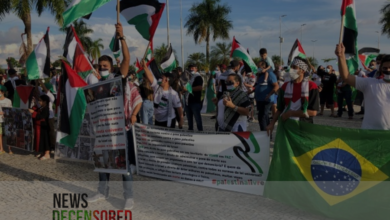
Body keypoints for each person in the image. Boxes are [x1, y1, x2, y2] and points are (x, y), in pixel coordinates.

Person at [88, 22, 141, 211]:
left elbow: (126, 60)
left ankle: (129, 196)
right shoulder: (94, 86)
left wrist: (122, 37)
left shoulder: (116, 81)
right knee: (103, 162)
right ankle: (102, 191)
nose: (102, 68)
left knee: (123, 164)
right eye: (100, 66)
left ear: (111, 68)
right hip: (102, 132)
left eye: (105, 66)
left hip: (120, 130)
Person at [336, 44, 390, 130]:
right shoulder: (369, 83)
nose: (388, 70)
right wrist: (341, 56)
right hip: (369, 134)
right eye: (385, 68)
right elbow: (346, 76)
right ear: (380, 68)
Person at [266, 57, 320, 136]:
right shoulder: (285, 87)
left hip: (304, 128)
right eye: (291, 67)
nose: (291, 70)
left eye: (294, 67)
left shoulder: (311, 86)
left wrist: (291, 113)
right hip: (287, 127)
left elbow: (313, 112)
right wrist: (272, 123)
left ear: (303, 70)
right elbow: (280, 109)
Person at [142, 61, 184, 128]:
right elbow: (150, 78)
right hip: (158, 120)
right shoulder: (157, 87)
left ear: (167, 80)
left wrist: (181, 119)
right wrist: (145, 67)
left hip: (169, 121)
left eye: (162, 78)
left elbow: (179, 107)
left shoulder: (173, 94)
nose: (160, 79)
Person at [254, 61, 279, 131]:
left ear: (264, 67)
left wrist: (269, 94)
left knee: (262, 117)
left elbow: (276, 86)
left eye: (259, 67)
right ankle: (268, 134)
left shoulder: (270, 74)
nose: (258, 68)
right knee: (265, 117)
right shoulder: (260, 75)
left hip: (266, 100)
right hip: (259, 99)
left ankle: (264, 134)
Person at [29, 95, 51, 160]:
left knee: (45, 140)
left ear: (45, 101)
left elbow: (42, 116)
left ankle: (47, 154)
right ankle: (43, 152)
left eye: (40, 100)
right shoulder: (41, 108)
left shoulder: (46, 108)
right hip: (40, 126)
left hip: (44, 127)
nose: (39, 102)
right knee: (41, 140)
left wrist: (34, 112)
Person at [183, 64, 203, 131]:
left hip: (195, 102)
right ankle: (190, 131)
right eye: (190, 68)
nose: (191, 69)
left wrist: (189, 89)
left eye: (193, 68)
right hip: (187, 101)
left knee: (197, 119)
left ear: (196, 69)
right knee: (189, 119)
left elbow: (200, 87)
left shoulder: (198, 77)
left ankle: (200, 132)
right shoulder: (188, 77)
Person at [0, 85, 12, 155]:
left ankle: (9, 149)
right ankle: (1, 148)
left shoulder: (8, 100)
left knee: (9, 135)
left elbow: (11, 110)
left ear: (3, 92)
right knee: (0, 135)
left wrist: (6, 113)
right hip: (0, 120)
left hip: (7, 120)